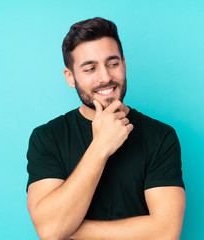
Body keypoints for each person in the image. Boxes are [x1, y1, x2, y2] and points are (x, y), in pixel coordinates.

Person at [26, 17, 186, 240]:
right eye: (90, 68)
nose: (105, 77)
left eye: (112, 64)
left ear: (124, 65)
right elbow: (49, 230)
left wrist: (69, 229)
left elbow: (166, 233)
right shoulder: (46, 138)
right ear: (70, 77)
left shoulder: (161, 136)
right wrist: (100, 146)